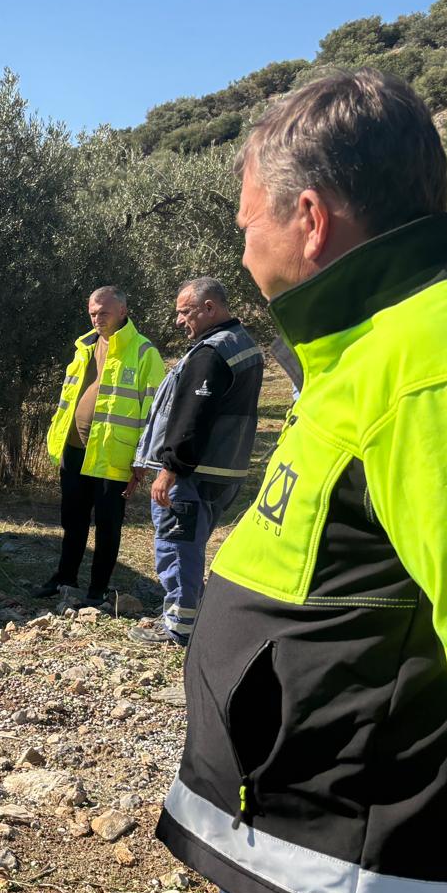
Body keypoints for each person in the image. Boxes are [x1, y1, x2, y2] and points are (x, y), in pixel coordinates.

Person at [155, 69, 447, 893]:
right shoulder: (375, 345)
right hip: (302, 874)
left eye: (245, 223)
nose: (240, 247)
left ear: (308, 217)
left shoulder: (442, 357)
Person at [127, 277, 262, 646]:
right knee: (192, 545)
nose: (178, 321)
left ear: (209, 309)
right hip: (226, 470)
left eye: (184, 312)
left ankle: (181, 628)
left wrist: (170, 468)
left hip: (194, 473)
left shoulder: (211, 352)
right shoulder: (244, 345)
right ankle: (188, 615)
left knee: (177, 546)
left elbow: (193, 416)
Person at [36, 286, 165, 606]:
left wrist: (143, 460)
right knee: (73, 518)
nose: (97, 319)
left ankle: (98, 588)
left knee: (108, 523)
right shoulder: (84, 347)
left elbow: (156, 412)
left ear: (123, 311)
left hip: (114, 454)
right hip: (75, 448)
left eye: (103, 313)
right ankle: (64, 577)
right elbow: (69, 397)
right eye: (93, 313)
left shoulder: (143, 352)